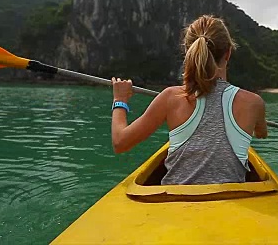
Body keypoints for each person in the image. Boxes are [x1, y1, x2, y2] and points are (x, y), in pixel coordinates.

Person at [110, 15, 268, 185]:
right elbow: (261, 133)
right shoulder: (253, 103)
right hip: (227, 204)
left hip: (175, 202)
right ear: (228, 53)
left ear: (187, 50)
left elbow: (120, 143)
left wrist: (120, 100)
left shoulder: (171, 97)